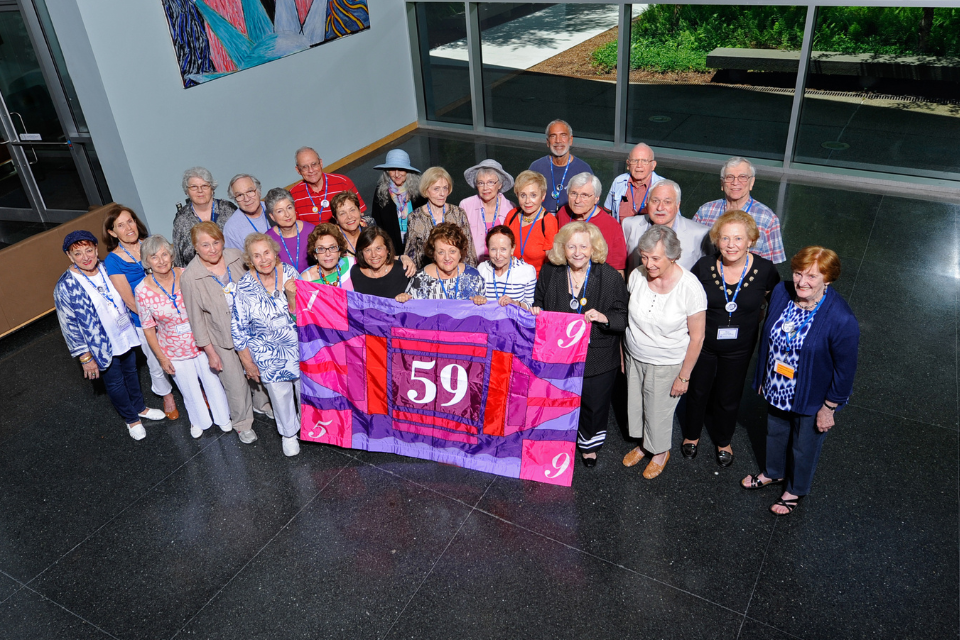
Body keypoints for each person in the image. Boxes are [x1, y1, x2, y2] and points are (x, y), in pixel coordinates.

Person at [742, 247, 859, 516]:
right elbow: (767, 339)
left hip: (811, 395)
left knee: (804, 446)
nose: (802, 282)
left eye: (812, 277)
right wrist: (763, 376)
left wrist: (829, 408)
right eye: (798, 273)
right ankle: (773, 472)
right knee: (775, 432)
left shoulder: (841, 318)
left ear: (827, 279)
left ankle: (795, 489)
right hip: (777, 386)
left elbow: (845, 371)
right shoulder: (782, 293)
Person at [682, 211, 781, 467]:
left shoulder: (764, 269)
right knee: (697, 390)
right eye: (724, 238)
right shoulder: (704, 267)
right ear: (717, 240)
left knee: (729, 394)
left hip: (740, 347)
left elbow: (773, 298)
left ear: (750, 241)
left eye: (738, 238)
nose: (731, 245)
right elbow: (688, 301)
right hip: (703, 344)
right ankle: (691, 435)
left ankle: (723, 439)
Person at [54, 230, 166, 440]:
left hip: (124, 332)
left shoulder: (107, 267)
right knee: (114, 382)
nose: (86, 257)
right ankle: (131, 420)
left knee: (132, 371)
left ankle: (140, 408)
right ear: (69, 256)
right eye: (78, 254)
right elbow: (69, 327)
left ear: (96, 249)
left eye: (89, 250)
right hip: (100, 343)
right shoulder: (65, 286)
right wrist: (85, 358)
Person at [532, 222, 628, 466]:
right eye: (571, 246)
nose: (577, 252)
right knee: (558, 399)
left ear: (593, 248)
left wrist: (604, 318)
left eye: (583, 246)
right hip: (559, 353)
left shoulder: (608, 276)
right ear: (562, 249)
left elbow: (623, 316)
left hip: (598, 353)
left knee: (594, 403)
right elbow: (539, 300)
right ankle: (557, 440)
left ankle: (589, 445)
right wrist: (536, 310)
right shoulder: (550, 272)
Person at [622, 226, 706, 480]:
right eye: (644, 256)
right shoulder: (637, 275)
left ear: (673, 256)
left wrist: (684, 376)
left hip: (666, 362)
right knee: (637, 406)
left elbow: (698, 337)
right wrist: (623, 354)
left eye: (655, 258)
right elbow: (628, 318)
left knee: (658, 412)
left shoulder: (690, 288)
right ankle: (645, 445)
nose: (648, 264)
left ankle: (660, 453)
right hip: (634, 354)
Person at [135, 235, 232, 439]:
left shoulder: (188, 275)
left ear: (171, 255)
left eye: (164, 254)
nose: (161, 261)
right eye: (154, 257)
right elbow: (148, 328)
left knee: (213, 383)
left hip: (202, 341)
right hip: (173, 348)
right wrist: (162, 358)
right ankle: (198, 421)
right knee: (188, 389)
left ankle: (223, 418)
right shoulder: (142, 291)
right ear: (147, 261)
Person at [181, 221, 265, 445]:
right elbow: (196, 319)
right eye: (205, 245)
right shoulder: (190, 277)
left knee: (258, 372)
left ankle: (262, 405)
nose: (212, 249)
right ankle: (242, 423)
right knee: (235, 384)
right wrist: (210, 353)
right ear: (196, 248)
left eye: (216, 242)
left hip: (250, 330)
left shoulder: (236, 256)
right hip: (221, 338)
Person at [102, 204, 178, 419]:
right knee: (155, 358)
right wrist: (155, 319)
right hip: (143, 320)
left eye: (130, 221)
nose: (128, 228)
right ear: (112, 232)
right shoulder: (113, 261)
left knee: (182, 352)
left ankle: (195, 387)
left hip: (172, 312)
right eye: (120, 225)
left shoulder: (152, 244)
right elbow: (129, 299)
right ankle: (166, 395)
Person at [232, 233, 302, 457]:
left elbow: (308, 310)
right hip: (267, 353)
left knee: (305, 392)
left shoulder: (291, 273)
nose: (263, 259)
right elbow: (238, 327)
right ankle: (289, 434)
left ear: (275, 252)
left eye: (267, 253)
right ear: (250, 260)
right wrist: (247, 362)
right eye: (257, 256)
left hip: (299, 346)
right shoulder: (243, 286)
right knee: (280, 396)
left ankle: (309, 427)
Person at [693, 157, 785, 264]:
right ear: (722, 183)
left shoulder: (768, 219)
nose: (735, 182)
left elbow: (770, 267)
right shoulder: (705, 212)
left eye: (742, 177)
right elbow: (691, 251)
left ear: (752, 182)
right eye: (729, 177)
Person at [623, 180, 708, 273]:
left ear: (677, 205)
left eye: (667, 202)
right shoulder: (629, 225)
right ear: (647, 203)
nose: (660, 208)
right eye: (655, 201)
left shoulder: (700, 234)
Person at [403, 166, 477, 270]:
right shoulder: (415, 217)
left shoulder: (458, 213)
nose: (442, 194)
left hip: (456, 274)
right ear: (426, 190)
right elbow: (411, 255)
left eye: (445, 188)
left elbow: (468, 251)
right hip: (428, 275)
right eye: (436, 189)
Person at [557, 173, 627, 274]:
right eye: (573, 193)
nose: (577, 200)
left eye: (584, 195)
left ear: (596, 198)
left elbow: (618, 269)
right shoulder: (563, 213)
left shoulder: (611, 225)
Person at [397, 223, 485, 302]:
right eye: (441, 252)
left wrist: (481, 302)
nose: (447, 258)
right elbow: (410, 313)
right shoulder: (419, 279)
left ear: (460, 252)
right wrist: (403, 299)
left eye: (452, 251)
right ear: (433, 254)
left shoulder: (474, 276)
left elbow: (484, 314)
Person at [172, 167, 237, 267]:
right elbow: (179, 259)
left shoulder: (228, 209)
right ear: (187, 191)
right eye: (194, 187)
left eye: (204, 186)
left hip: (233, 267)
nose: (200, 191)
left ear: (212, 189)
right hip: (198, 276)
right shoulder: (181, 219)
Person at [528, 119, 593, 213]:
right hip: (540, 223)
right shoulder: (536, 167)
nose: (558, 141)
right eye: (553, 136)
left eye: (563, 135)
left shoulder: (583, 169)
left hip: (571, 224)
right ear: (547, 142)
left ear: (570, 140)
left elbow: (590, 204)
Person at [289, 146, 365, 225]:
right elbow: (295, 228)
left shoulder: (343, 183)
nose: (311, 170)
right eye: (304, 167)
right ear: (298, 170)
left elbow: (360, 215)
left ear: (321, 163)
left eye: (314, 164)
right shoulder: (293, 195)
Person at [370, 149, 424, 255]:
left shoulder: (418, 191)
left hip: (417, 248)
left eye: (401, 169)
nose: (396, 174)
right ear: (386, 172)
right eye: (392, 169)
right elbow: (377, 223)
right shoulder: (380, 191)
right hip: (392, 250)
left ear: (408, 171)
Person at [504, 170, 558, 276]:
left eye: (533, 195)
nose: (527, 201)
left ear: (543, 196)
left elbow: (552, 261)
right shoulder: (512, 215)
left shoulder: (549, 221)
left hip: (537, 281)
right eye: (523, 195)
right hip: (510, 276)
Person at [460, 159, 514, 262]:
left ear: (500, 184)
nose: (485, 188)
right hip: (472, 264)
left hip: (500, 263)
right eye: (481, 183)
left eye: (490, 182)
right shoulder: (466, 205)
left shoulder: (510, 208)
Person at [476, 226, 536, 310]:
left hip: (514, 321)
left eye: (503, 249)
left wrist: (515, 304)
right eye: (493, 249)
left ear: (512, 249)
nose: (498, 256)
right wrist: (478, 299)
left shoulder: (527, 271)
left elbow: (530, 305)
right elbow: (476, 298)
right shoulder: (482, 269)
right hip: (488, 321)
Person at [603, 142, 665, 222]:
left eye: (644, 161)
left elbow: (674, 220)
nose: (639, 165)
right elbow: (610, 213)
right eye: (635, 161)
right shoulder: (618, 182)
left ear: (653, 165)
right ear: (628, 165)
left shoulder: (664, 187)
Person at [350, 226, 411, 298]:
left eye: (378, 248)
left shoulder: (403, 271)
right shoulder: (356, 272)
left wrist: (407, 298)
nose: (373, 255)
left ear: (387, 249)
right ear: (361, 252)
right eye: (368, 250)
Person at [266, 187, 315, 273]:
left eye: (289, 208)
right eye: (280, 211)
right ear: (272, 216)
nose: (287, 214)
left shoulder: (312, 230)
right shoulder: (267, 240)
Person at [223, 173, 272, 250]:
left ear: (259, 192)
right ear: (235, 199)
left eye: (250, 191)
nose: (247, 199)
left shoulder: (274, 208)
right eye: (240, 195)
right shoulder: (231, 228)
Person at [300, 223, 354, 290]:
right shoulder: (305, 280)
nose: (328, 254)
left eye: (332, 247)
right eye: (321, 249)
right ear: (315, 254)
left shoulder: (351, 264)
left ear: (339, 251)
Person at [330, 191, 375, 261]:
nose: (349, 217)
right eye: (342, 213)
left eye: (352, 210)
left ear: (359, 211)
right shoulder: (331, 238)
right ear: (336, 218)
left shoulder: (370, 224)